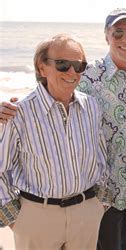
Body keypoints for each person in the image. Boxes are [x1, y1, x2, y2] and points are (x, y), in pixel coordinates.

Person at [0, 34, 107, 249]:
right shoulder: (18, 112)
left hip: (86, 214)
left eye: (79, 66)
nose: (71, 72)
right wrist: (15, 219)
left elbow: (101, 158)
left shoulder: (92, 107)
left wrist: (99, 204)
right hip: (37, 219)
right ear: (42, 68)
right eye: (62, 64)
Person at [77, 8, 126, 250]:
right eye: (118, 33)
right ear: (106, 36)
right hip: (101, 194)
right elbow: (51, 96)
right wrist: (10, 107)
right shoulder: (87, 75)